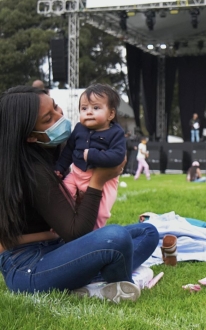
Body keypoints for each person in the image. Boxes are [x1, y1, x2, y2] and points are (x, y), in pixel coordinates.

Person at [0, 86, 159, 303]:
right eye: (48, 118)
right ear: (29, 136)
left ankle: (93, 279)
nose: (60, 116)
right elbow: (76, 232)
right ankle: (107, 279)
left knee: (147, 232)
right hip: (30, 268)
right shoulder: (32, 171)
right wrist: (98, 181)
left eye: (55, 106)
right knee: (116, 237)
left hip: (57, 248)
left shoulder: (53, 150)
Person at [55, 84, 126, 230]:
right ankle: (59, 226)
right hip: (77, 174)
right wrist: (60, 168)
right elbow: (69, 151)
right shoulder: (79, 129)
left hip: (105, 180)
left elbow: (118, 157)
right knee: (62, 196)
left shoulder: (116, 132)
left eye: (96, 108)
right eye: (84, 108)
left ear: (111, 114)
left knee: (101, 213)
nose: (89, 112)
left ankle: (95, 235)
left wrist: (93, 155)